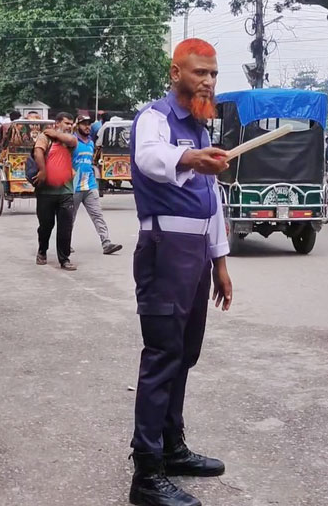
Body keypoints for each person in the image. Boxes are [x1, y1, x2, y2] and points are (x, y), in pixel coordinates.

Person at [128, 38, 233, 506]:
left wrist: (221, 262)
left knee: (185, 355)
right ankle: (146, 474)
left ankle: (172, 448)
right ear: (175, 73)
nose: (208, 81)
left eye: (212, 74)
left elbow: (213, 203)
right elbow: (149, 157)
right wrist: (189, 158)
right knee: (162, 357)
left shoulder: (201, 128)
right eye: (198, 73)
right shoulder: (156, 119)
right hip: (164, 248)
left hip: (197, 254)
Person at [33, 112, 78, 270]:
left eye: (71, 123)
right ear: (57, 123)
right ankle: (42, 251)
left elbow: (72, 140)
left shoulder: (68, 139)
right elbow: (38, 151)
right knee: (46, 225)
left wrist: (57, 133)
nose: (69, 126)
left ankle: (64, 259)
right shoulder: (44, 137)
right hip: (45, 191)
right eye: (66, 123)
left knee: (65, 226)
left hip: (65, 191)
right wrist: (43, 170)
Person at [72, 115, 122, 254]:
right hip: (74, 187)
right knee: (70, 218)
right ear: (77, 126)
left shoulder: (90, 143)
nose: (87, 127)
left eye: (88, 124)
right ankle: (65, 243)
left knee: (97, 215)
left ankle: (106, 243)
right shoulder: (72, 141)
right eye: (83, 124)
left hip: (90, 186)